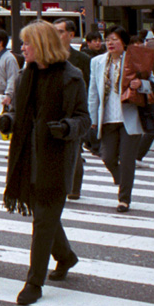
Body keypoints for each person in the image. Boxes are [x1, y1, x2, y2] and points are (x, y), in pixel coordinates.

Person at [0, 21, 89, 306]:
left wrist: (67, 127)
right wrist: (6, 120)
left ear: (43, 45)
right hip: (27, 157)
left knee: (43, 221)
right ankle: (66, 256)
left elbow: (84, 118)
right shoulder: (26, 77)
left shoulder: (72, 77)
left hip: (56, 158)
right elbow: (17, 113)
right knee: (45, 217)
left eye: (27, 43)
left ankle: (34, 282)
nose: (22, 49)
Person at [89, 25, 147, 212]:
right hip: (107, 118)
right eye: (107, 40)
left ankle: (124, 199)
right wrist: (93, 118)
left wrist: (141, 84)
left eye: (114, 39)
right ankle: (122, 180)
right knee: (107, 157)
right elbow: (93, 93)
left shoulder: (134, 60)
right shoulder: (97, 62)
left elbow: (152, 82)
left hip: (129, 117)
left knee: (128, 159)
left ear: (123, 42)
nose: (110, 43)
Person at [54, 18, 93, 201]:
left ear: (71, 35)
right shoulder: (48, 56)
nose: (57, 35)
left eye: (60, 32)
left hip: (75, 110)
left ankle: (73, 188)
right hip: (54, 109)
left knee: (75, 148)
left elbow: (90, 86)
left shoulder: (82, 59)